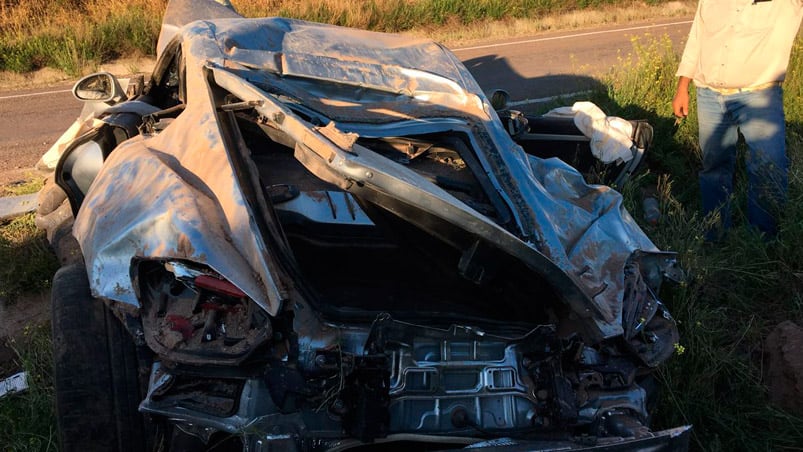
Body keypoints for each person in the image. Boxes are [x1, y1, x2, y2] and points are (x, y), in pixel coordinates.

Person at [672, 0, 803, 240]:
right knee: (713, 167)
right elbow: (697, 36)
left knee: (767, 168)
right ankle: (715, 234)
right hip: (708, 95)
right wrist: (683, 86)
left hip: (759, 97)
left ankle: (764, 243)